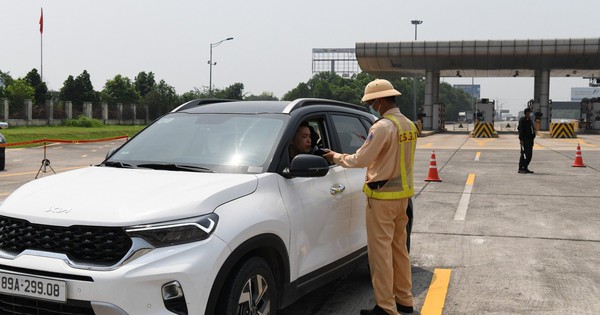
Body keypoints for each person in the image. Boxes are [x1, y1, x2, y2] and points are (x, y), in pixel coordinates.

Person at [323, 79, 417, 315]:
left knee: (380, 255)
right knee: (399, 251)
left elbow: (360, 160)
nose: (372, 106)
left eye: (373, 102)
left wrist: (334, 156)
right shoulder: (408, 125)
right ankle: (404, 301)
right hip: (402, 198)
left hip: (382, 198)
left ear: (380, 100)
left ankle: (385, 307)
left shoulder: (382, 127)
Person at [518, 107, 536, 174]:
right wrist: (521, 139)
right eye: (529, 113)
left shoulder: (530, 121)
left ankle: (525, 167)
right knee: (524, 155)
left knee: (529, 155)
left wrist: (533, 136)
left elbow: (532, 129)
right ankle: (520, 168)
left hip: (530, 141)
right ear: (526, 113)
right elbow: (520, 130)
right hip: (524, 140)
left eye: (530, 113)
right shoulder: (522, 120)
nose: (530, 114)